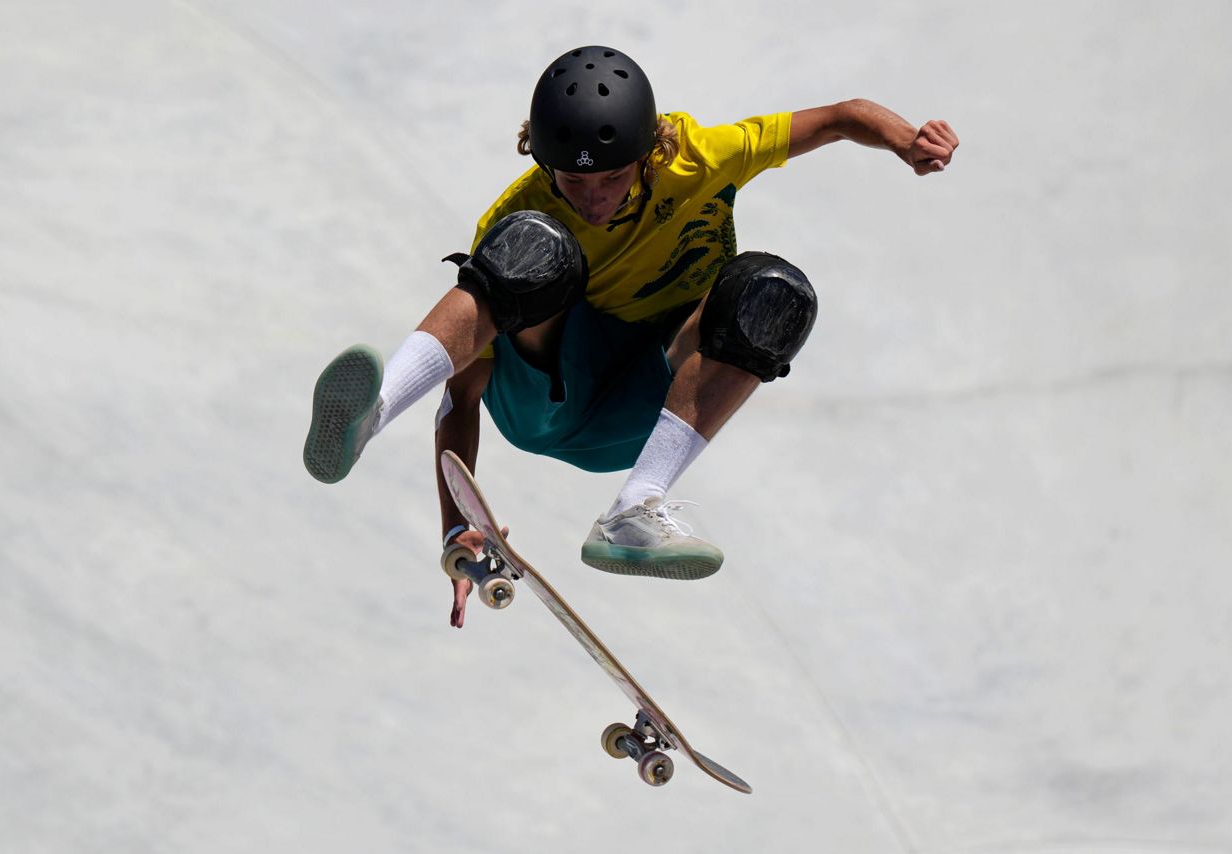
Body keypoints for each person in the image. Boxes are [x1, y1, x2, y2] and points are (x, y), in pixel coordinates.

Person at [303, 45, 959, 627]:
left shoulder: (706, 153)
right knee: (537, 249)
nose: (591, 198)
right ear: (539, 154)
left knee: (769, 293)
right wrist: (454, 524)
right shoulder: (523, 211)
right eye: (573, 180)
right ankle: (372, 414)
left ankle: (635, 508)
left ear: (650, 152)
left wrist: (906, 139)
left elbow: (843, 115)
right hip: (542, 402)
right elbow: (462, 395)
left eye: (612, 178)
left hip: (637, 408)